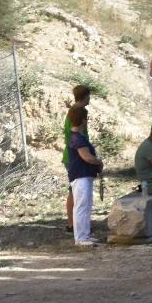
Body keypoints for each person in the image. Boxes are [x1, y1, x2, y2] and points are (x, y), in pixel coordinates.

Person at [65, 105, 103, 247]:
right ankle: (81, 238)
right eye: (85, 119)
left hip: (84, 175)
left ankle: (85, 235)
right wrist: (99, 162)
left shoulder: (76, 137)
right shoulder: (77, 139)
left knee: (85, 206)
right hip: (80, 176)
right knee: (81, 206)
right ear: (82, 120)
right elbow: (86, 157)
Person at [62, 84, 91, 233]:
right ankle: (73, 224)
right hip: (74, 156)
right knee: (74, 191)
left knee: (74, 191)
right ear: (85, 96)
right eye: (89, 96)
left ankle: (75, 223)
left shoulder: (77, 111)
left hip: (76, 154)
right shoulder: (76, 113)